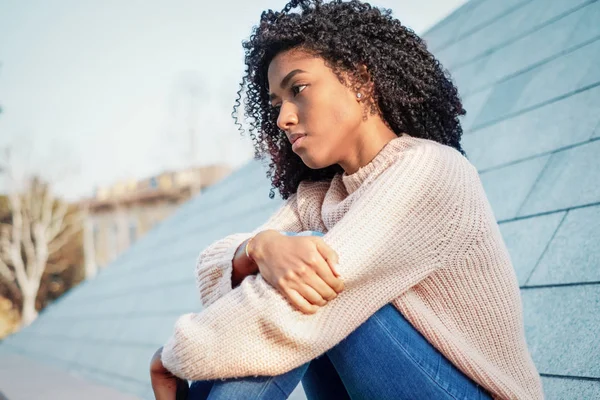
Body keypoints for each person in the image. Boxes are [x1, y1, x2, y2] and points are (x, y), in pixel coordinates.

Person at [150, 0, 544, 399]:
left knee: (308, 278)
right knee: (295, 259)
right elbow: (213, 265)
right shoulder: (321, 196)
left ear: (361, 81)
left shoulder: (429, 170)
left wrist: (172, 357)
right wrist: (260, 247)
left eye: (298, 89)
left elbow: (296, 304)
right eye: (275, 105)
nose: (284, 118)